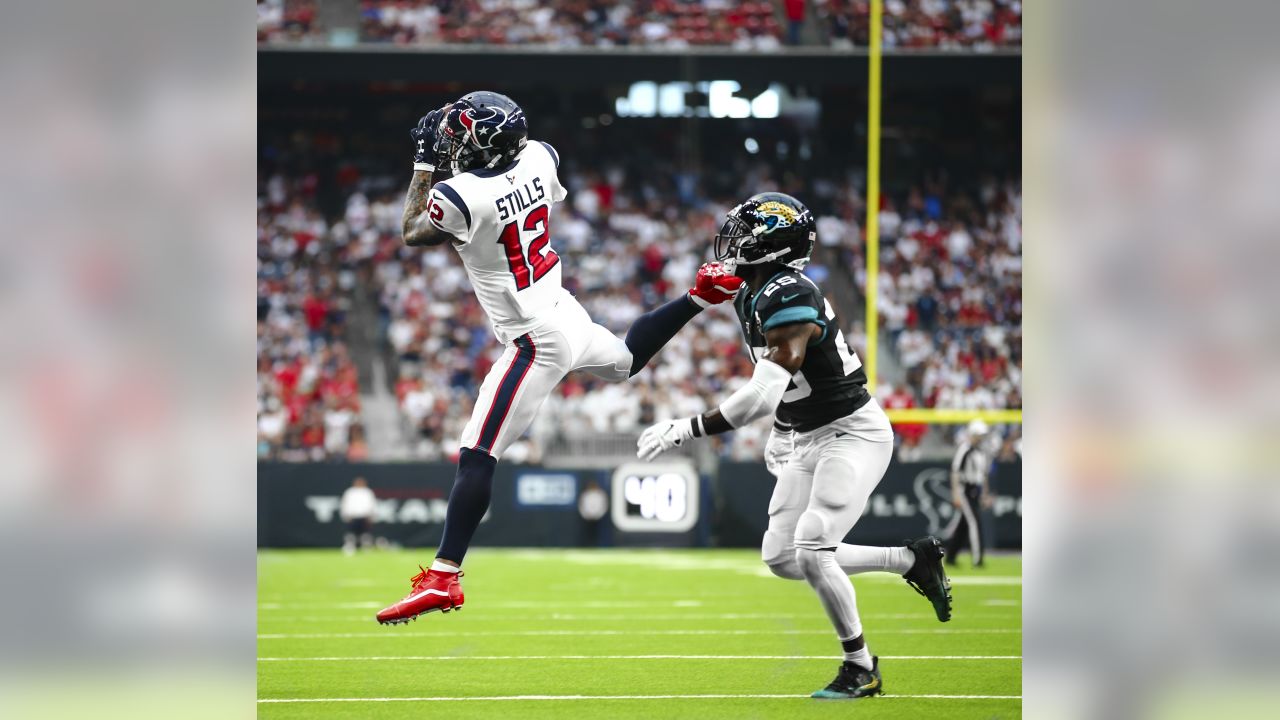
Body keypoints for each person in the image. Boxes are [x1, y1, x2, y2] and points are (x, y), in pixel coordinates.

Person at [376, 91, 744, 625]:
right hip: (563, 310)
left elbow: (412, 231)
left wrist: (423, 163)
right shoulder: (541, 155)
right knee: (623, 360)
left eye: (461, 134)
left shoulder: (459, 195)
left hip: (533, 336)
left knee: (478, 453)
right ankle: (696, 299)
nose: (453, 141)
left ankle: (443, 577)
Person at [635, 192, 953, 700]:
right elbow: (789, 383)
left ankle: (860, 667)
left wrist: (687, 427)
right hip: (807, 432)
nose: (733, 241)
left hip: (852, 431)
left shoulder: (787, 292)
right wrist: (785, 432)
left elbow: (762, 394)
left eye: (745, 233)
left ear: (770, 244)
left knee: (813, 544)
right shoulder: (754, 290)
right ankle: (909, 560)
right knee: (782, 556)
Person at [946, 418, 995, 568]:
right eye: (978, 435)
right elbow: (955, 472)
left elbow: (983, 475)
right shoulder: (965, 449)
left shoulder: (982, 452)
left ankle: (951, 557)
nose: (980, 438)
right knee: (974, 522)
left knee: (964, 525)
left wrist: (984, 494)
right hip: (964, 489)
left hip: (975, 489)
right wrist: (955, 494)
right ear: (972, 434)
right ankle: (978, 559)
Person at [339, 477, 377, 555]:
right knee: (351, 533)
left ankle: (366, 547)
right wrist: (346, 514)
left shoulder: (367, 492)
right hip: (353, 516)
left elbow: (372, 504)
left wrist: (372, 515)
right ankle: (349, 547)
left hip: (365, 516)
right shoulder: (350, 492)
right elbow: (345, 504)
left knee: (365, 533)